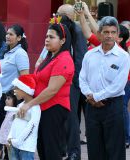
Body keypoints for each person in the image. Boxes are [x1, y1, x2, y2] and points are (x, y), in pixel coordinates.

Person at [18, 19, 75, 160]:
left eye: (51, 37)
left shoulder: (64, 59)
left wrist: (30, 104)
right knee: (42, 149)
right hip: (42, 108)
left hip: (54, 109)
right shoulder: (49, 57)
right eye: (46, 36)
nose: (47, 40)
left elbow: (52, 90)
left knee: (52, 151)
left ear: (62, 41)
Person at [79, 16, 130, 160]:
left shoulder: (123, 57)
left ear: (117, 34)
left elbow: (119, 85)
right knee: (94, 148)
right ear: (100, 33)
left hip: (113, 106)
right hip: (92, 108)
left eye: (113, 32)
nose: (109, 35)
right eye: (106, 32)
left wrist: (96, 97)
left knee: (114, 150)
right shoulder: (89, 55)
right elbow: (82, 78)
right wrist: (90, 95)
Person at [0, 24, 29, 159]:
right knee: (3, 133)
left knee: (9, 135)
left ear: (19, 38)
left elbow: (25, 78)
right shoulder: (7, 52)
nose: (8, 36)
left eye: (11, 34)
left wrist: (13, 95)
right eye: (7, 33)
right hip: (1, 96)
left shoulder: (20, 54)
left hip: (12, 98)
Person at [57, 4, 88, 159]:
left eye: (59, 14)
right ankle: (62, 148)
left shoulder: (76, 31)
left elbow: (80, 57)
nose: (56, 17)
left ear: (68, 16)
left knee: (71, 118)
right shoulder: (58, 31)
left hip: (72, 82)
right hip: (60, 81)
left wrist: (74, 82)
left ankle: (74, 152)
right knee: (63, 117)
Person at [7, 74, 41, 160]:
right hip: (14, 145)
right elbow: (15, 122)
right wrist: (10, 137)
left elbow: (32, 127)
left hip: (26, 148)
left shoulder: (35, 108)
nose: (14, 91)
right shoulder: (20, 105)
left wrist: (18, 141)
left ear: (25, 89)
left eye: (16, 88)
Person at [0, 90, 18, 160]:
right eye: (6, 98)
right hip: (6, 140)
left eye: (9, 98)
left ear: (15, 100)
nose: (6, 100)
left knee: (11, 155)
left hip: (10, 141)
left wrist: (8, 141)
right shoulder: (9, 111)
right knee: (7, 154)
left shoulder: (14, 113)